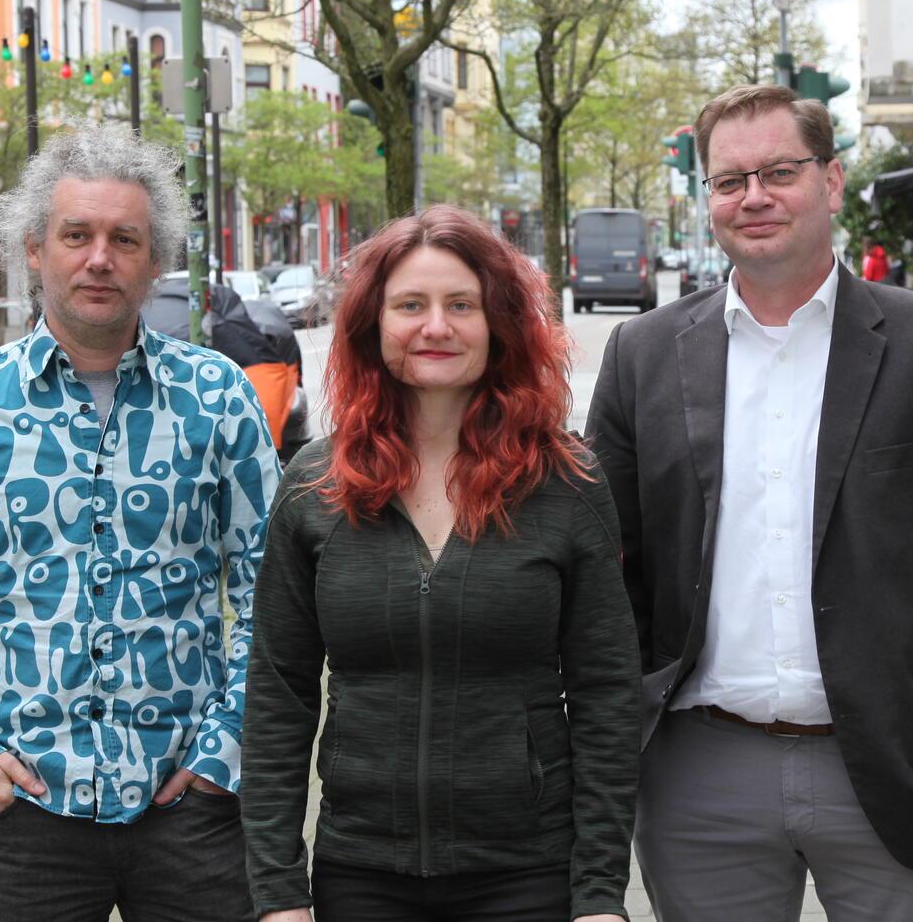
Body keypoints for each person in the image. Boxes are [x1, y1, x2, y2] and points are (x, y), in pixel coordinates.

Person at [585, 84, 913, 921]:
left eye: (779, 172)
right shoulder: (641, 355)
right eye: (729, 181)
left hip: (894, 773)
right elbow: (608, 572)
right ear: (708, 198)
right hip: (699, 776)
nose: (753, 197)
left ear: (831, 182)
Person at [0, 122, 279, 921]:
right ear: (34, 250)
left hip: (192, 810)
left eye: (125, 239)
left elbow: (277, 600)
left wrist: (227, 749)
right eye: (76, 234)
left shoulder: (218, 398)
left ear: (156, 261)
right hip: (26, 820)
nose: (99, 258)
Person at [242, 206, 641, 922]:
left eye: (462, 305)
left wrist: (601, 894)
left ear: (500, 326)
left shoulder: (566, 483)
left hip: (528, 874)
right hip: (360, 872)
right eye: (411, 306)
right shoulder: (314, 486)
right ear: (374, 325)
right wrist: (277, 892)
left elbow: (606, 695)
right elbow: (278, 695)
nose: (436, 327)